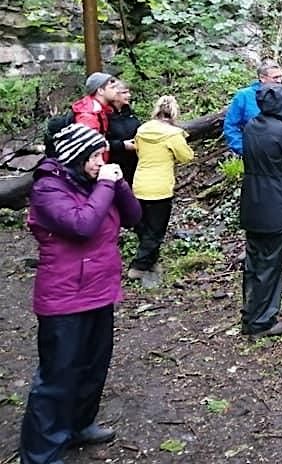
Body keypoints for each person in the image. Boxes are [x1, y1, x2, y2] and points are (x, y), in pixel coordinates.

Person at [20, 124, 141, 464]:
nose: (98, 162)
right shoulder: (48, 189)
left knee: (92, 366)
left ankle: (78, 425)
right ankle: (41, 454)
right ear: (74, 157)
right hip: (64, 297)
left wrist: (117, 183)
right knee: (58, 376)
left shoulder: (93, 183)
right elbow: (81, 225)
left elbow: (133, 217)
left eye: (100, 155)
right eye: (92, 156)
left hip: (100, 291)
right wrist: (105, 184)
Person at [239, 84, 282, 339]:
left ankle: (250, 313)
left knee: (254, 261)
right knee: (270, 262)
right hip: (274, 203)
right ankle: (262, 322)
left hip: (252, 201)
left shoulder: (251, 127)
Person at [128, 96, 195, 281]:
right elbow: (186, 156)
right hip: (160, 187)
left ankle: (151, 261)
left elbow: (138, 150)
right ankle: (138, 266)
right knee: (156, 230)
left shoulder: (142, 130)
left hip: (140, 183)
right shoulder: (173, 134)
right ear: (174, 112)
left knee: (144, 226)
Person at [223, 60, 282, 156]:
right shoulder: (244, 96)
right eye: (275, 77)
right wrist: (243, 149)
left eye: (281, 76)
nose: (279, 81)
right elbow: (231, 126)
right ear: (262, 78)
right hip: (254, 152)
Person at [105, 80, 141, 185]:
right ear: (114, 95)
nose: (129, 95)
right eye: (124, 93)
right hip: (115, 165)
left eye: (128, 92)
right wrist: (122, 146)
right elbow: (102, 142)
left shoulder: (128, 112)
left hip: (133, 163)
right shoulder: (106, 116)